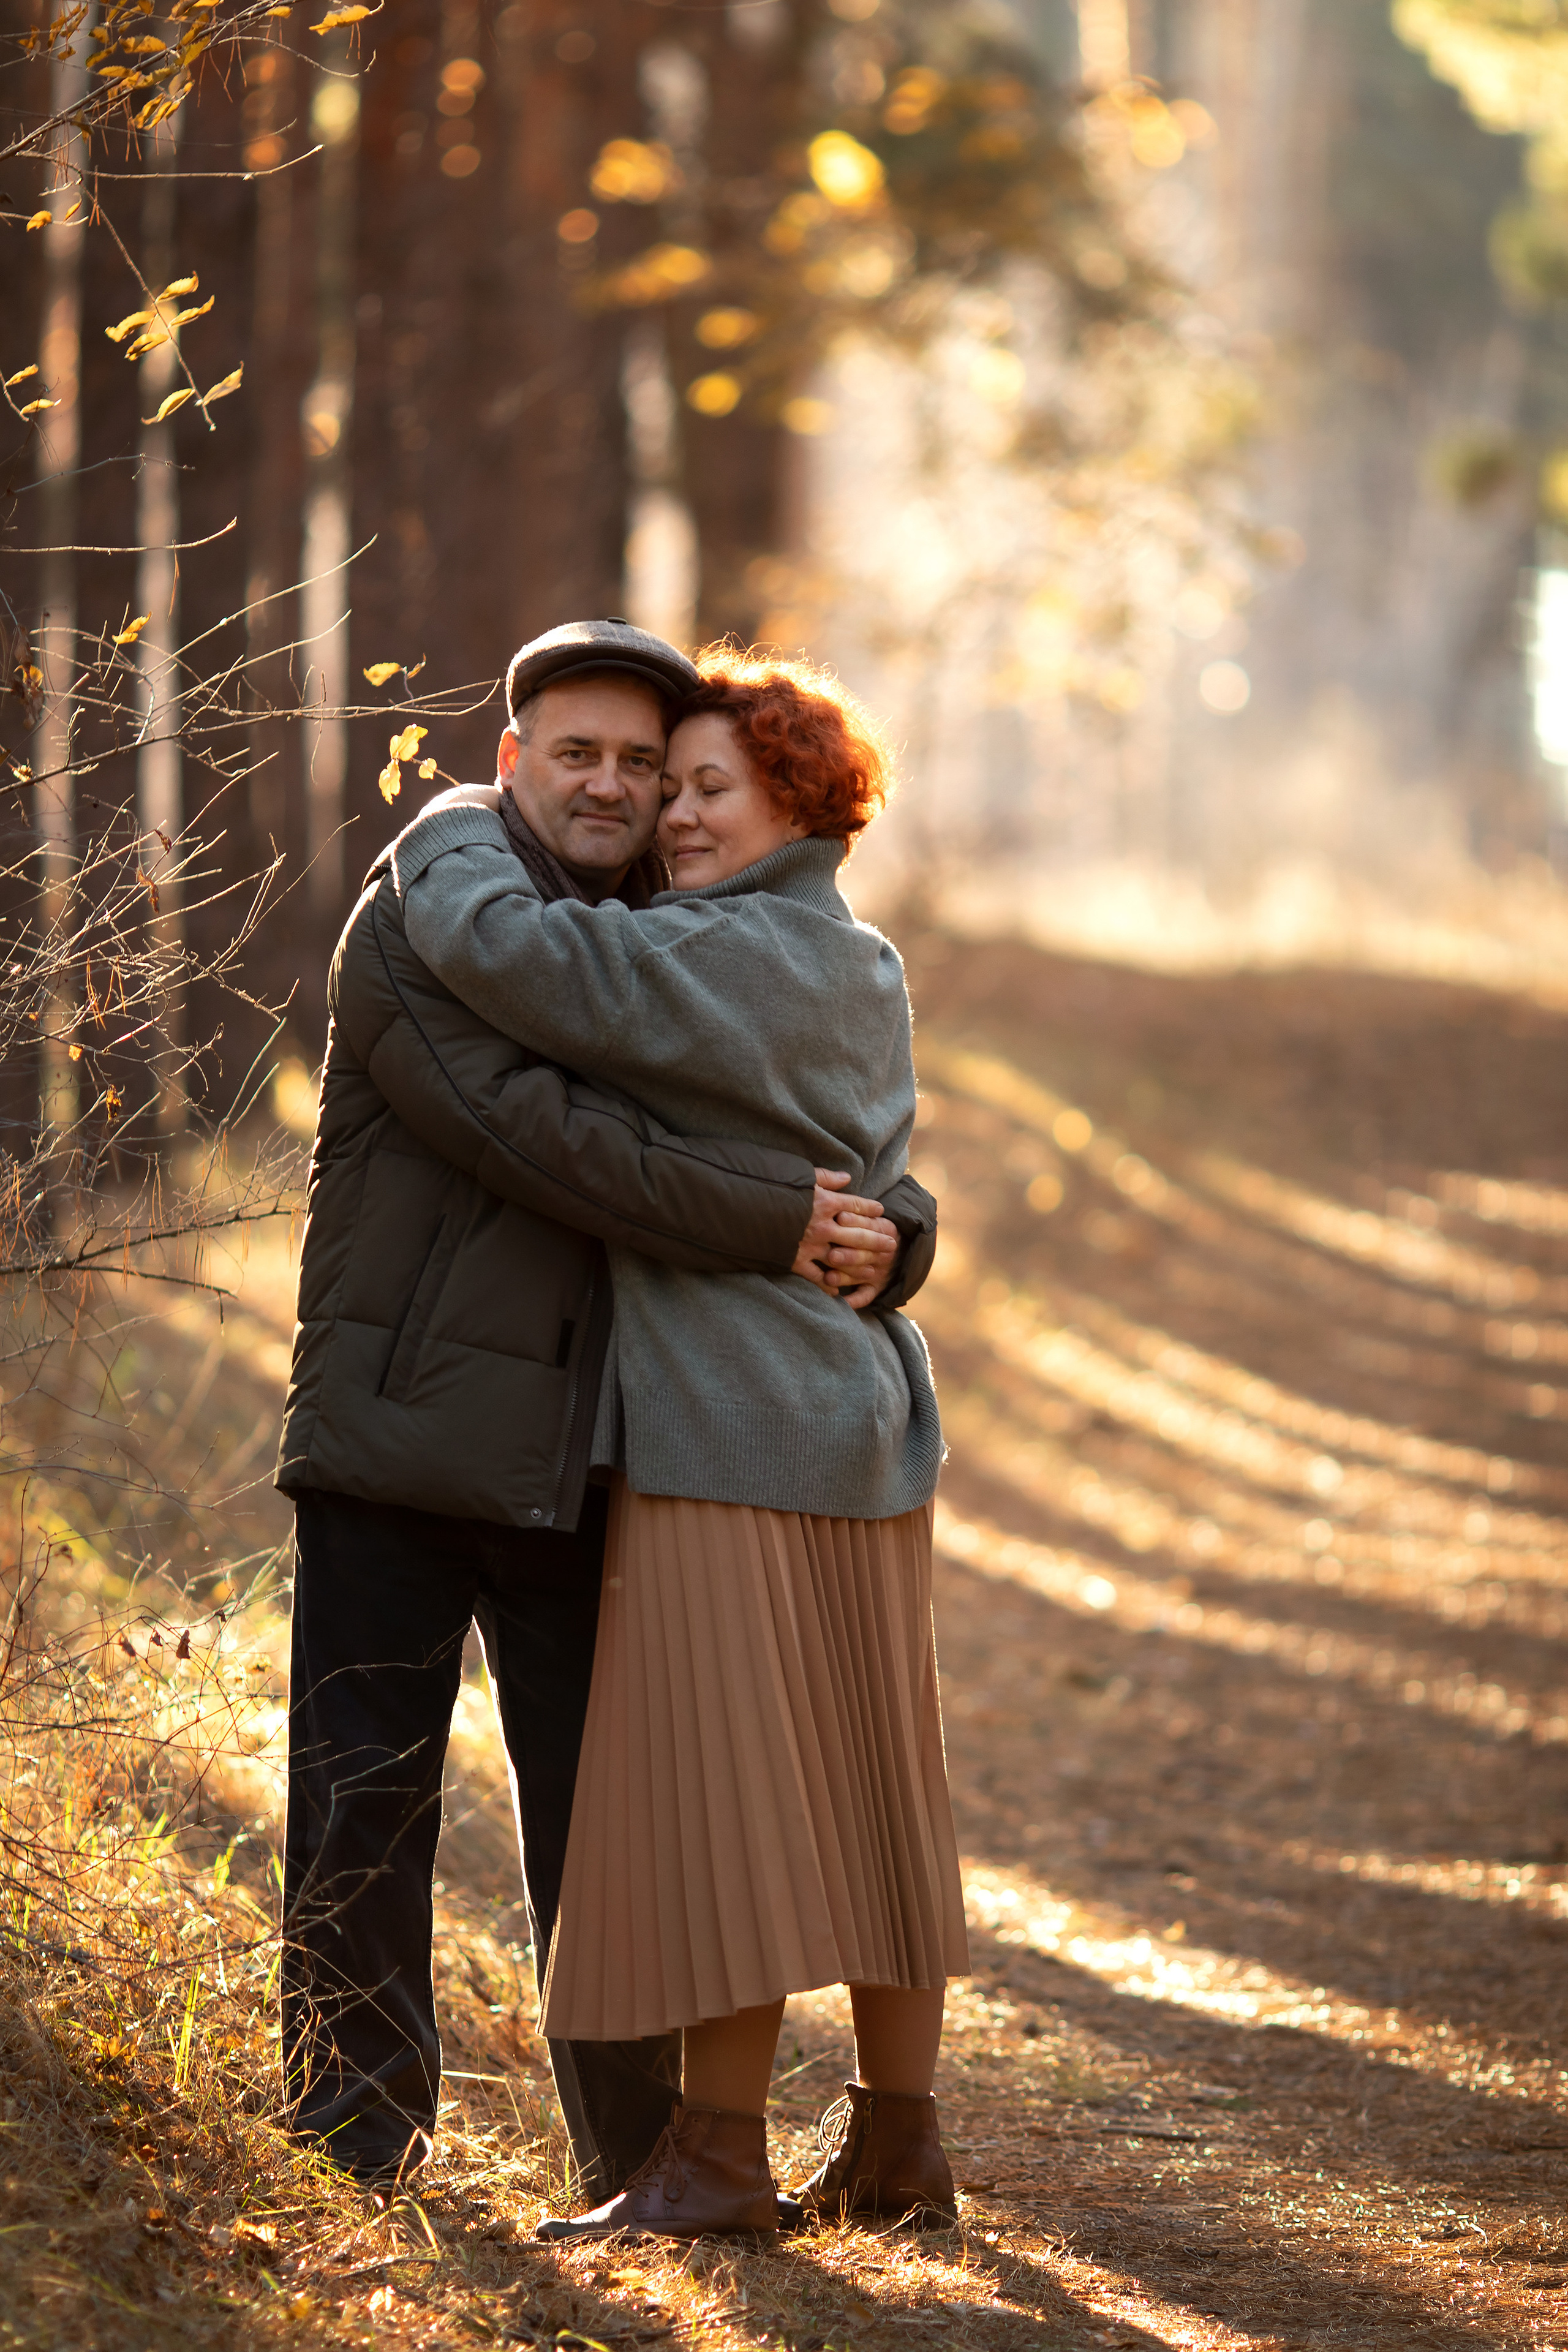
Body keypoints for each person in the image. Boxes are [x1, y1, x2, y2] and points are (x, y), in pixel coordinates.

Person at [275, 619, 938, 2195]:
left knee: (618, 1828)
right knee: (364, 1803)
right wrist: (783, 1220)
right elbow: (545, 1140)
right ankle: (350, 2140)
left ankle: (649, 2160)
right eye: (580, 754)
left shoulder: (670, 928)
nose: (621, 788)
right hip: (406, 1434)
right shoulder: (419, 919)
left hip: (602, 1458)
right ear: (509, 762)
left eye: (649, 767)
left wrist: (897, 1231)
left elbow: (845, 1124)